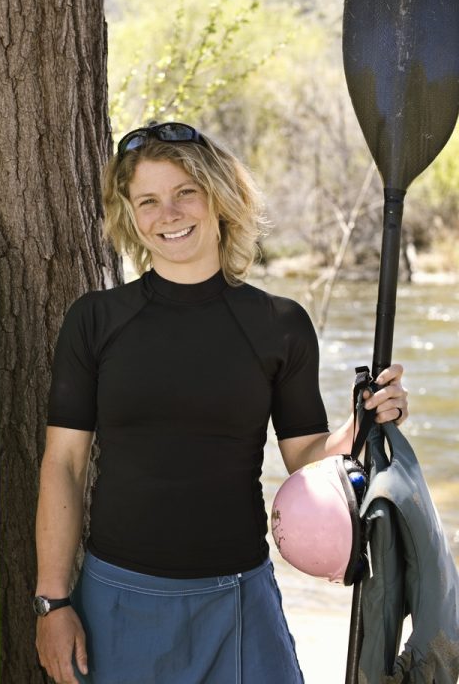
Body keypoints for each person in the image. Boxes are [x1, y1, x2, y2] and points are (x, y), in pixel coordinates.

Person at [34, 122, 409, 684]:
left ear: (217, 196)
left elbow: (305, 456)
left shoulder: (280, 325)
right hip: (119, 598)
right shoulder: (95, 321)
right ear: (131, 215)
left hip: (239, 599)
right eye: (149, 201)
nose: (169, 214)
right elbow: (63, 465)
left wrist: (361, 425)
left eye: (186, 192)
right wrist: (53, 603)